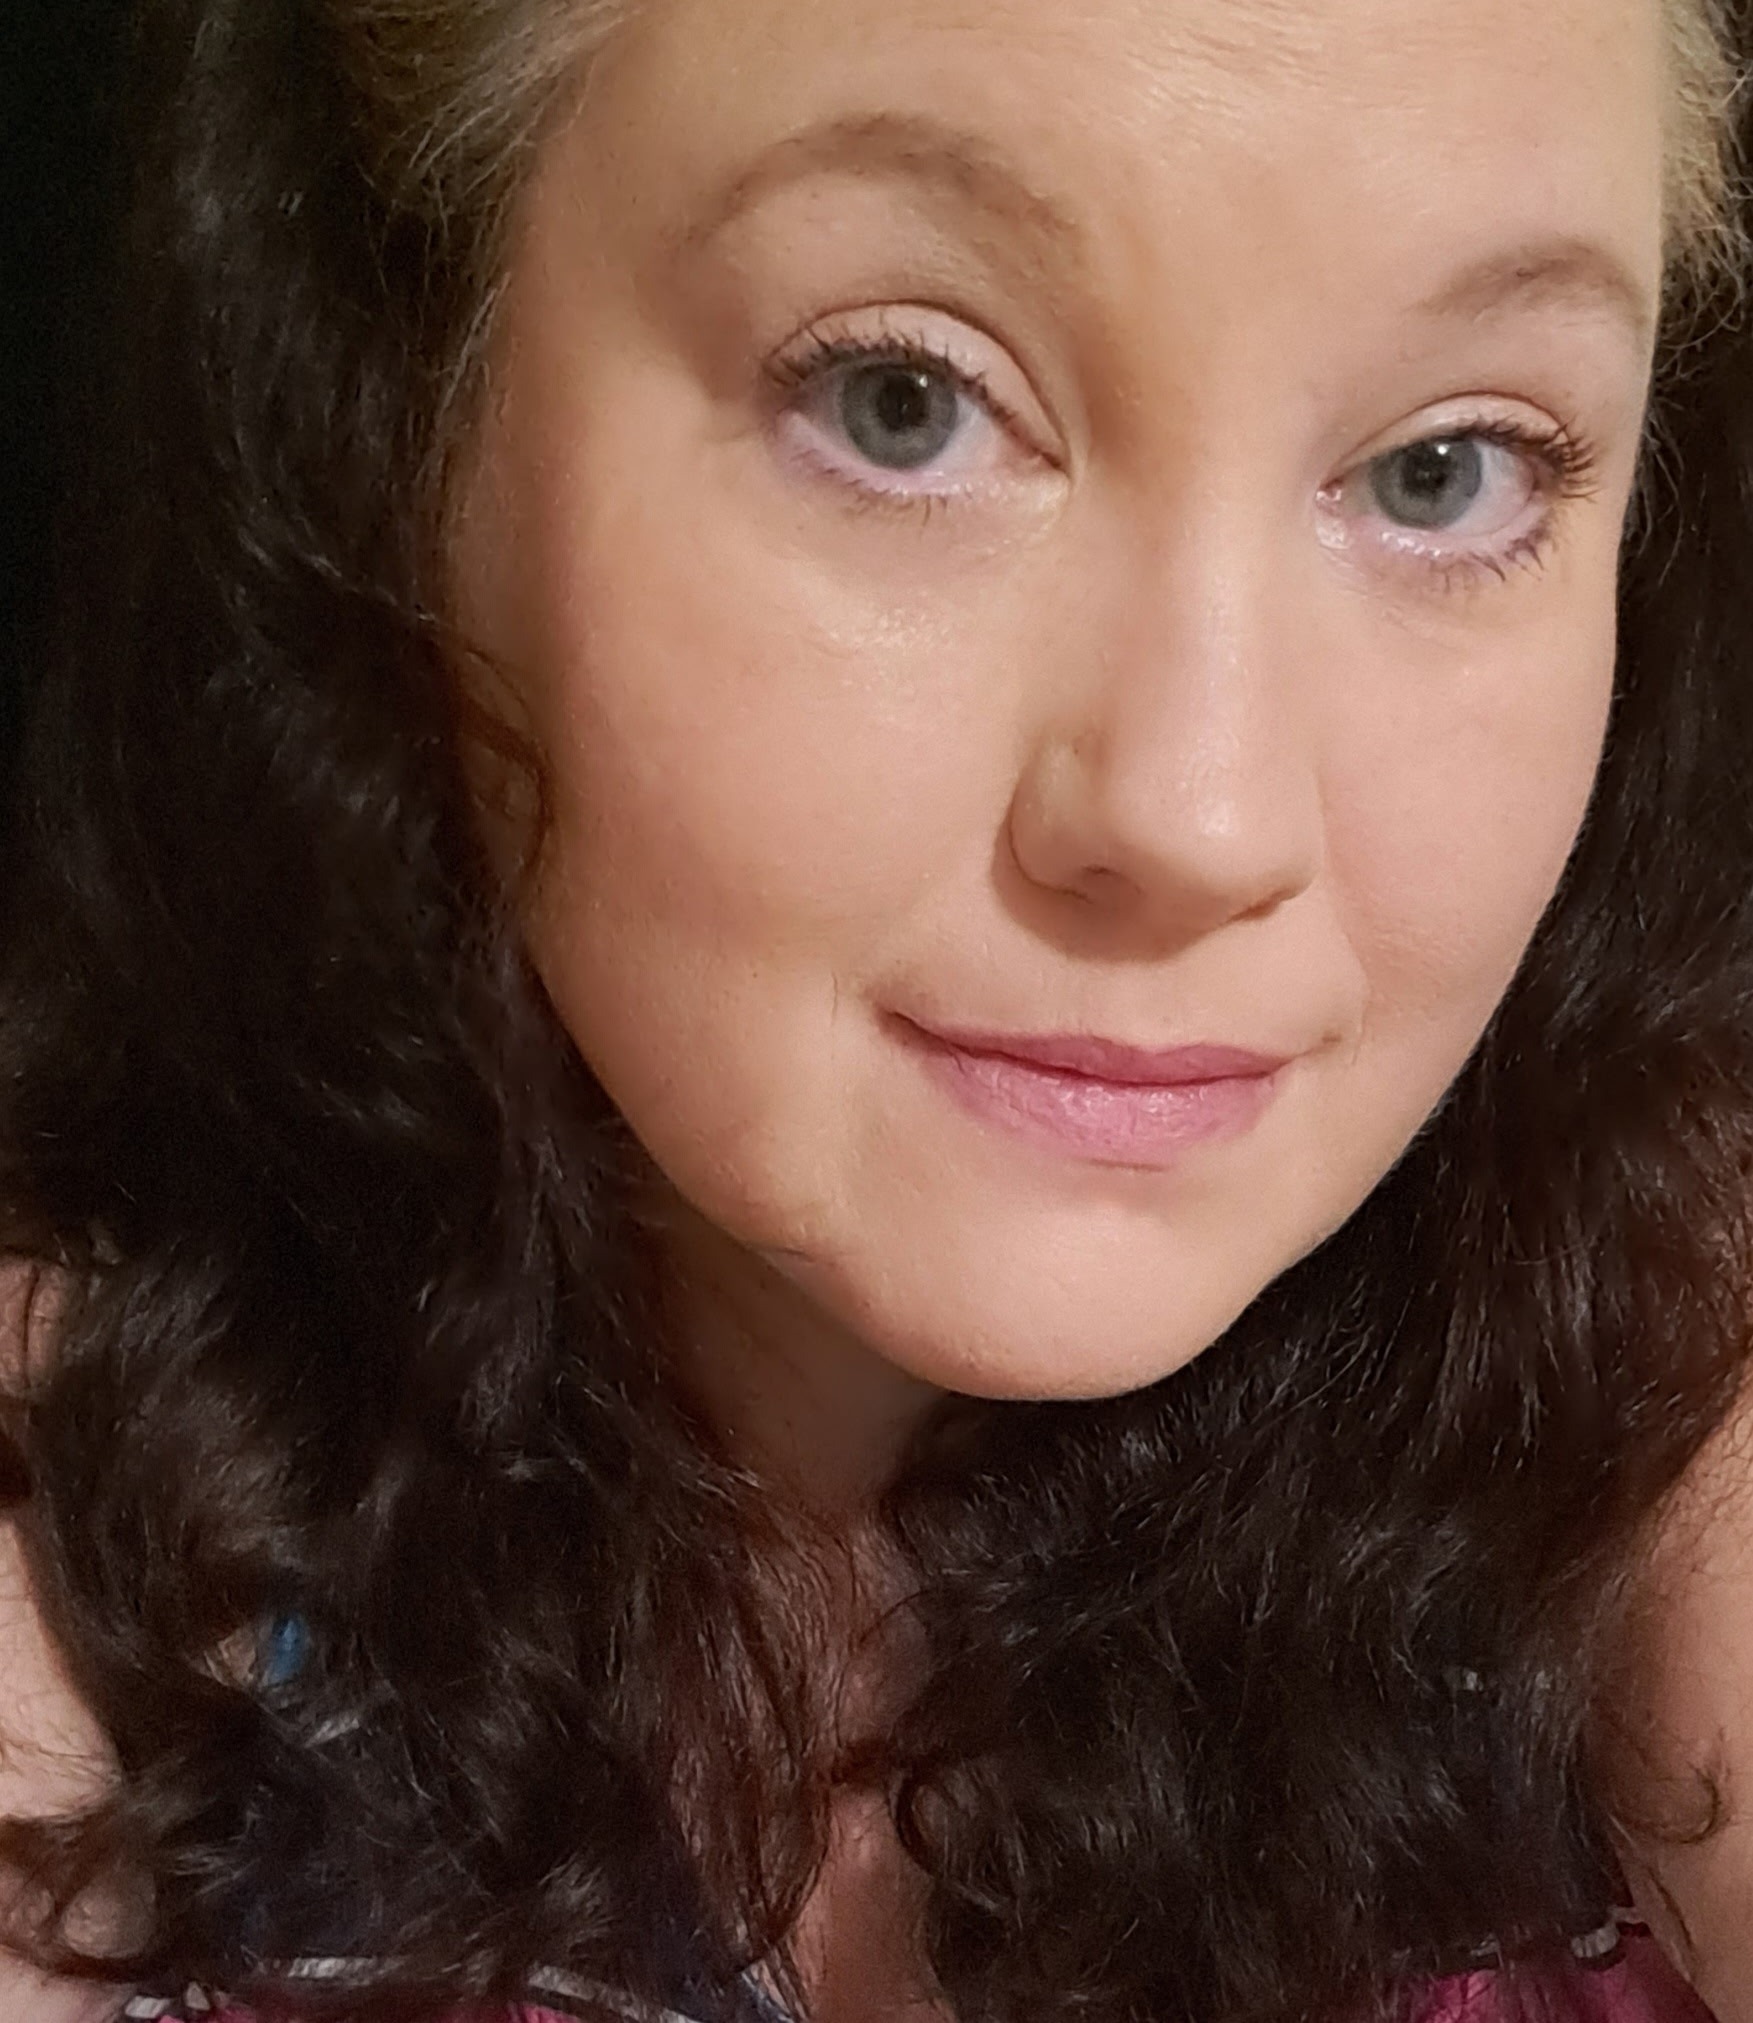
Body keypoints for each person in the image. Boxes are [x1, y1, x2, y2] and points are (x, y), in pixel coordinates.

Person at [3, 0, 1753, 2018]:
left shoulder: (1657, 1359)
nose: (1198, 815)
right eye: (903, 404)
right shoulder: (87, 1555)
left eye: (1448, 472)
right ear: (398, 399)